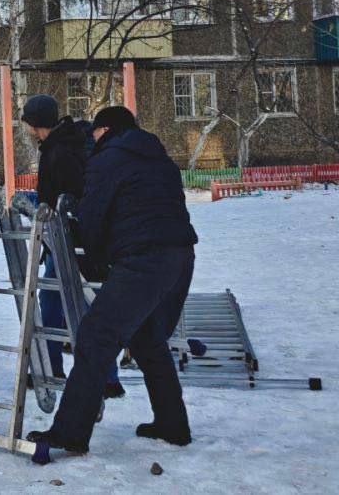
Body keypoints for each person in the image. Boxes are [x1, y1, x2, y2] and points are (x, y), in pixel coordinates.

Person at [30, 106, 198, 462]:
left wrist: (90, 262)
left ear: (105, 130)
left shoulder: (108, 160)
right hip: (181, 256)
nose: (91, 140)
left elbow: (93, 217)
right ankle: (173, 424)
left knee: (95, 337)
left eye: (94, 133)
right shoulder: (160, 158)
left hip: (143, 260)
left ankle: (70, 432)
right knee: (149, 340)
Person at [20, 94, 123, 397]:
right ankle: (107, 376)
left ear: (36, 122)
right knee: (90, 305)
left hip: (67, 240)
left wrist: (43, 210)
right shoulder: (72, 143)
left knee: (53, 304)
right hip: (81, 240)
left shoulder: (59, 152)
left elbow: (67, 197)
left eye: (27, 120)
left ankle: (54, 368)